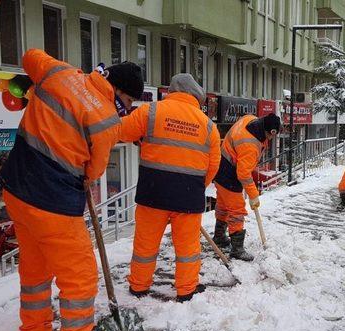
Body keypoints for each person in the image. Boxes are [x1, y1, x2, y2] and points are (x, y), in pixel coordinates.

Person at [0, 49, 143, 331]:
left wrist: (35, 78)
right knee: (80, 281)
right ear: (119, 91)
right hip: (53, 205)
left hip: (16, 191)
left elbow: (30, 56)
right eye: (129, 102)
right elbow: (94, 171)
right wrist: (83, 178)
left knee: (35, 268)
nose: (127, 109)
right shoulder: (107, 122)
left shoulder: (60, 72)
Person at [119, 74, 221, 303]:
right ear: (197, 97)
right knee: (187, 248)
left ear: (171, 90)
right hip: (188, 197)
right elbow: (213, 166)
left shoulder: (150, 112)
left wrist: (142, 139)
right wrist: (195, 187)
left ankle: (138, 286)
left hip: (152, 193)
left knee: (145, 244)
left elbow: (121, 132)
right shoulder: (208, 126)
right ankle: (186, 290)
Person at [212, 113, 281, 261]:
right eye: (271, 136)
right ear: (270, 132)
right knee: (237, 209)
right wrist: (254, 195)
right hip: (228, 173)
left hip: (220, 165)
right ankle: (237, 249)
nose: (271, 139)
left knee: (224, 205)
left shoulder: (251, 119)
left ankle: (219, 236)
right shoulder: (251, 145)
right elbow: (243, 174)